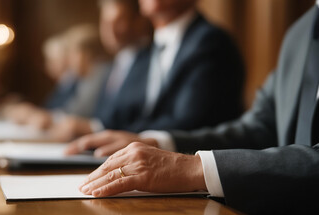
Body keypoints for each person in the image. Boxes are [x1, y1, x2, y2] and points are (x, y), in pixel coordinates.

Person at [66, 3, 319, 215]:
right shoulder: (300, 32)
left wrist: (193, 168)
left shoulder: (212, 42)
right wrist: (156, 143)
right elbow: (259, 128)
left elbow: (190, 118)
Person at [51, 0, 245, 141]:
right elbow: (128, 113)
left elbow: (190, 123)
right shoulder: (147, 50)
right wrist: (95, 130)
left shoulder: (211, 42)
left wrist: (114, 135)